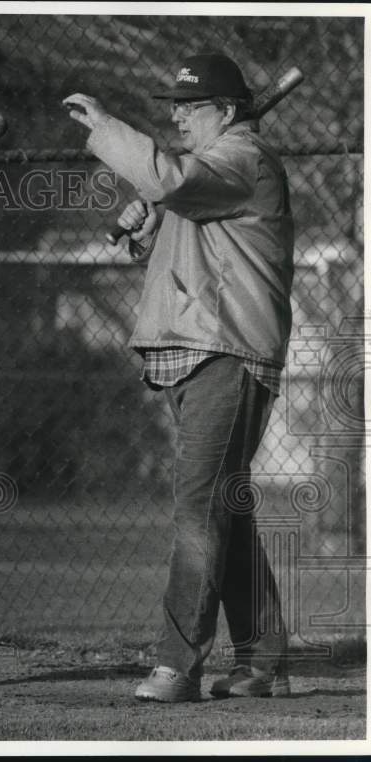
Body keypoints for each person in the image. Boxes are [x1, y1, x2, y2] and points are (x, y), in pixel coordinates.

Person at [63, 53, 293, 702]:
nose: (176, 118)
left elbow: (172, 179)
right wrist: (149, 227)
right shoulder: (209, 174)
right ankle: (261, 661)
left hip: (228, 352)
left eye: (190, 109)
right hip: (196, 351)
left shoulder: (242, 161)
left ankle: (176, 664)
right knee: (225, 508)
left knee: (199, 508)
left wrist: (110, 130)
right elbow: (184, 227)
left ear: (226, 113)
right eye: (175, 109)